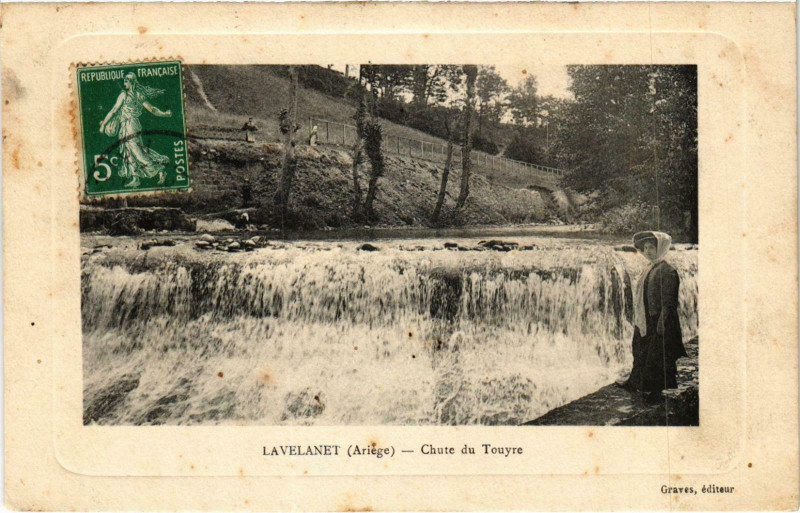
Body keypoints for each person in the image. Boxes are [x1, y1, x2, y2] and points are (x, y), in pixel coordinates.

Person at [620, 231, 688, 402]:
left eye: (652, 247)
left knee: (657, 357)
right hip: (645, 317)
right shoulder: (651, 267)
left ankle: (656, 392)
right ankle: (634, 382)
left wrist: (662, 322)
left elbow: (669, 301)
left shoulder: (666, 270)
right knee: (639, 350)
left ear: (660, 248)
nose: (648, 251)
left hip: (659, 319)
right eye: (645, 248)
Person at [99, 72, 172, 188]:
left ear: (132, 82)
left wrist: (103, 125)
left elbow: (151, 109)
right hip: (125, 126)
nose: (124, 83)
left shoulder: (131, 95)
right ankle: (135, 178)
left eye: (126, 81)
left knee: (137, 152)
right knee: (128, 152)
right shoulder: (130, 94)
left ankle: (160, 169)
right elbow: (114, 110)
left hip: (131, 126)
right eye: (124, 81)